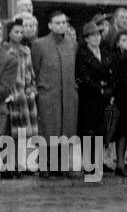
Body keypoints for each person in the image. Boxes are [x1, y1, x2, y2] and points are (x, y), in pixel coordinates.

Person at [31, 10, 79, 143]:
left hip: (69, 99)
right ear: (50, 25)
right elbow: (34, 71)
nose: (61, 25)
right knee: (48, 134)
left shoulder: (72, 44)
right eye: (57, 23)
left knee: (66, 136)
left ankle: (61, 162)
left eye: (64, 22)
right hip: (48, 99)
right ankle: (47, 162)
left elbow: (76, 71)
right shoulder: (39, 44)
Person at [1, 17, 39, 174]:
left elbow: (30, 73)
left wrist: (31, 89)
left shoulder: (26, 51)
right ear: (8, 33)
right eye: (15, 32)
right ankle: (10, 164)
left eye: (21, 32)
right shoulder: (5, 51)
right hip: (9, 95)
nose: (19, 35)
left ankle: (24, 164)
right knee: (10, 132)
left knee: (24, 132)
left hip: (24, 96)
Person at [75, 20, 113, 177]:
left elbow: (112, 73)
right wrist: (101, 89)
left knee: (101, 130)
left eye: (98, 34)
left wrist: (109, 91)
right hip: (89, 98)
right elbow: (84, 77)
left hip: (104, 99)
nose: (97, 38)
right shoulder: (82, 55)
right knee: (88, 131)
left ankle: (98, 163)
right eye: (92, 36)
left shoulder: (105, 53)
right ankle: (89, 165)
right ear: (86, 39)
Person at [108, 30, 127, 179]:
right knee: (117, 131)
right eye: (123, 40)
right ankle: (115, 163)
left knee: (125, 132)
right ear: (117, 42)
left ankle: (122, 163)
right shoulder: (115, 57)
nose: (126, 43)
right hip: (118, 98)